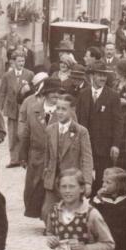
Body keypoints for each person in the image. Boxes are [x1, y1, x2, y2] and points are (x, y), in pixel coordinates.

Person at [41, 94, 94, 225]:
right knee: (48, 212)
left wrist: (87, 182)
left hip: (72, 179)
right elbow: (47, 155)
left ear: (72, 110)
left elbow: (87, 158)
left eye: (64, 109)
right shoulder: (50, 130)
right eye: (57, 108)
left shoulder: (81, 132)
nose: (59, 112)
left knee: (72, 213)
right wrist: (46, 173)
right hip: (53, 179)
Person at [77, 62, 122, 196]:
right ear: (92, 76)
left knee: (103, 178)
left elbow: (118, 122)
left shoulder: (113, 96)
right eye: (99, 75)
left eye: (105, 76)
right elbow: (78, 119)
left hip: (104, 145)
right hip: (85, 144)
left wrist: (115, 144)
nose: (103, 79)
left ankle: (99, 203)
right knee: (85, 176)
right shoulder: (83, 94)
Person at [19, 78, 61, 220]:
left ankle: (50, 219)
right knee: (36, 188)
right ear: (45, 93)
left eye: (58, 92)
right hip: (37, 157)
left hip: (57, 158)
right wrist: (23, 155)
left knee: (53, 190)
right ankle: (43, 215)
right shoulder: (34, 109)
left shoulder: (65, 110)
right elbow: (26, 133)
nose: (56, 95)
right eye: (52, 92)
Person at [0, 51, 34, 168]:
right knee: (12, 136)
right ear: (13, 62)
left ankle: (24, 159)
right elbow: (2, 93)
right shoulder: (7, 76)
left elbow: (33, 92)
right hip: (11, 110)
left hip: (24, 111)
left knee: (22, 134)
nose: (21, 63)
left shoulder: (30, 74)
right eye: (19, 61)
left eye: (23, 61)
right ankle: (14, 160)